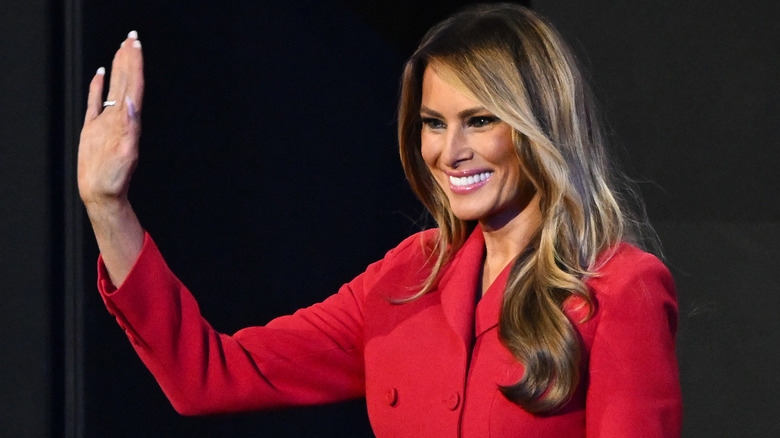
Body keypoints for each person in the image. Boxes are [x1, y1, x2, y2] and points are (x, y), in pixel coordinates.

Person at [78, 4, 682, 437]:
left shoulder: (618, 289)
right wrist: (109, 207)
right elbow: (210, 376)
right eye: (433, 123)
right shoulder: (407, 278)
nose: (450, 152)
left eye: (479, 121)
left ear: (539, 126)